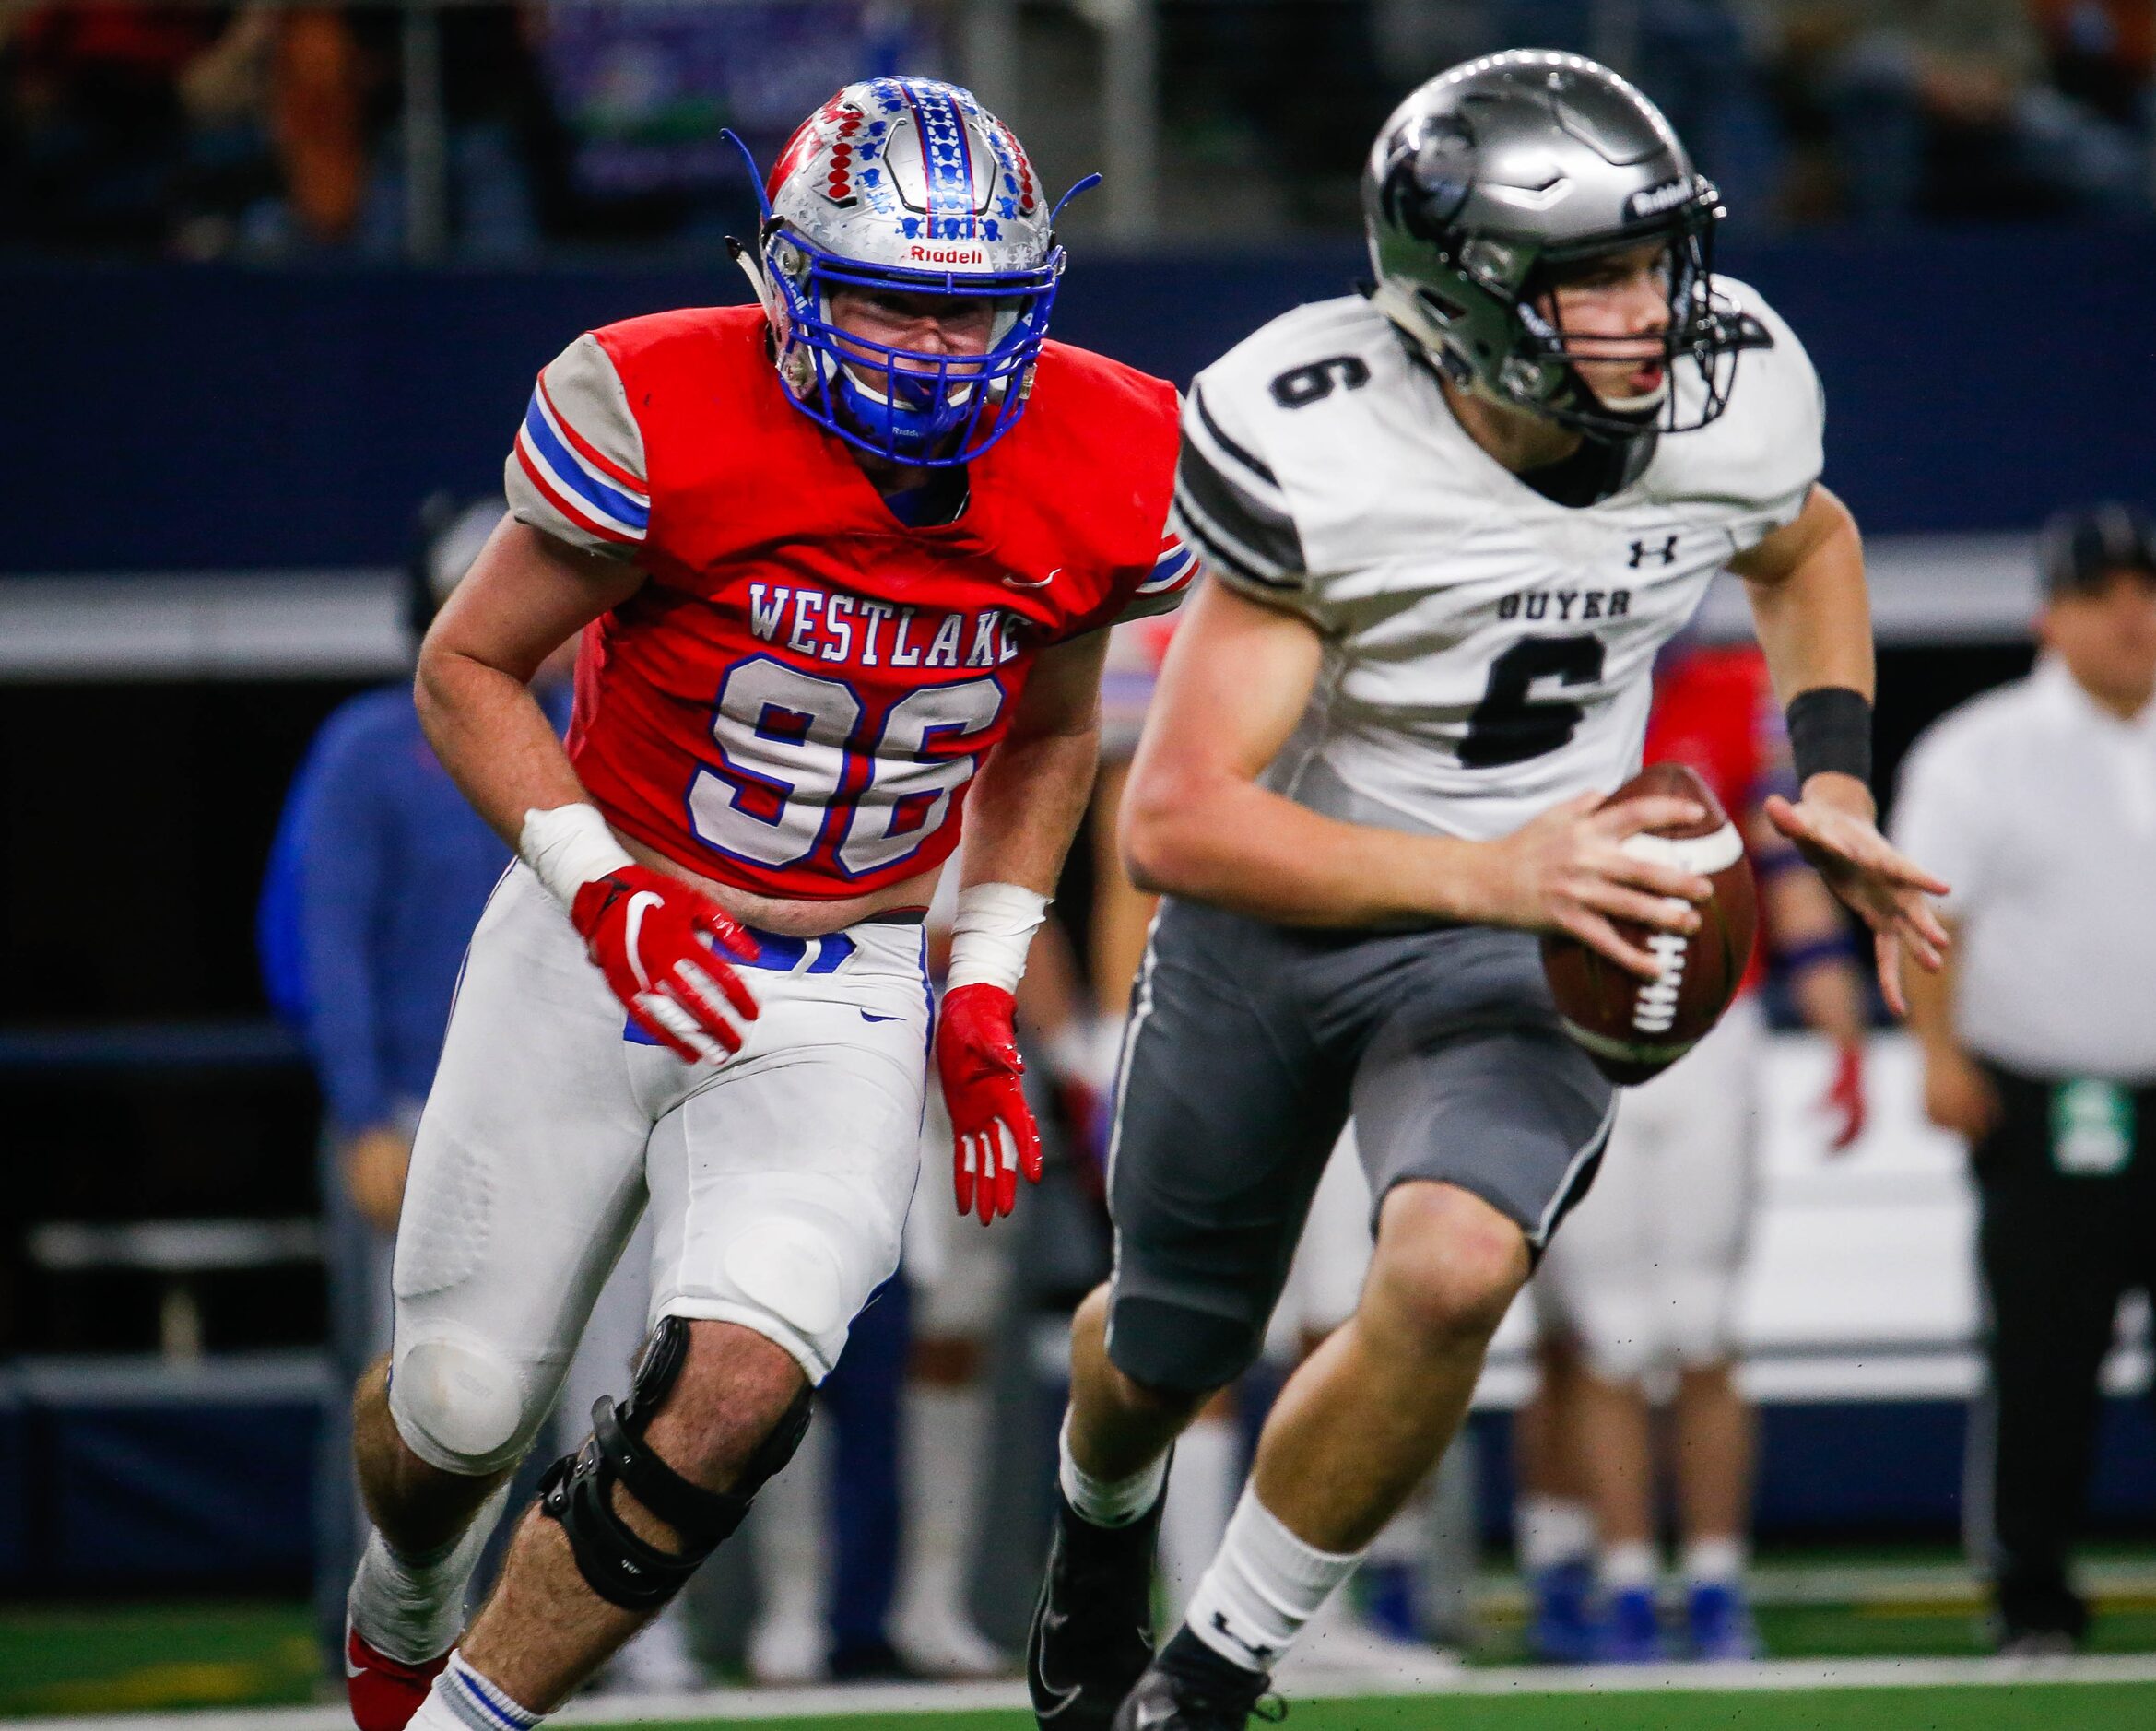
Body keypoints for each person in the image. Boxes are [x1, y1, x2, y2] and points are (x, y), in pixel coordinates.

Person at [1025, 52, 1949, 1731]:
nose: (1647, 308)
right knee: (1163, 1349)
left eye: (1655, 258)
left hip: (1536, 919)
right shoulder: (1322, 443)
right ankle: (1097, 1529)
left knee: (1451, 1268)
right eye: (1590, 273)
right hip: (1278, 919)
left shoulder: (1727, 401)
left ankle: (1210, 1674)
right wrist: (1488, 863)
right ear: (1460, 297)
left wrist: (1829, 777)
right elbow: (1175, 822)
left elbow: (1802, 540)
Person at [336, 74, 1192, 1731]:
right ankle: (407, 1589)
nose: (933, 355)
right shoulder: (656, 398)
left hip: (840, 976)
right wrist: (597, 890)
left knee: (733, 1390)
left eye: (971, 314)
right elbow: (466, 666)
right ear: (787, 279)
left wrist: (980, 977)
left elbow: (1055, 724)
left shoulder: (1105, 446)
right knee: (453, 1410)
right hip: (600, 945)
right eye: (886, 300)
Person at [1516, 635, 1872, 1665]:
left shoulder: (1730, 689)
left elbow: (1779, 863)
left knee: (1706, 1327)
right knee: (1609, 1333)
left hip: (1710, 1037)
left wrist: (1836, 1023)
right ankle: (1626, 1586)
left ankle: (1713, 1582)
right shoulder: (1529, 688)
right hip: (1572, 1033)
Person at [1892, 502, 2156, 1656]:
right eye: (2103, 595)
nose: (2132, 617)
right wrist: (1938, 1057)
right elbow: (1922, 918)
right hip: (2047, 1096)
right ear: (2049, 615)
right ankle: (2031, 1598)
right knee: (2044, 1355)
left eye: (2145, 591)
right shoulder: (1977, 750)